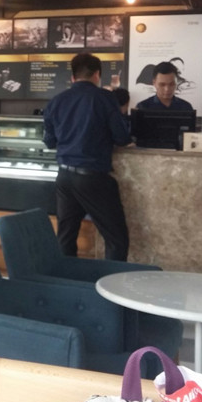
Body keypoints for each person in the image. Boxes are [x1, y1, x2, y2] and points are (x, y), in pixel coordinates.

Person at [43, 53, 132, 260]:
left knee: (65, 238)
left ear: (73, 77)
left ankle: (66, 278)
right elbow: (121, 138)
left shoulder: (56, 101)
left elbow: (50, 142)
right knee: (116, 239)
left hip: (64, 178)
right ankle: (111, 281)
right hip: (93, 178)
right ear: (97, 75)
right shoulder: (105, 98)